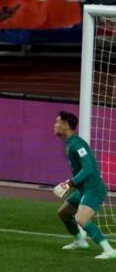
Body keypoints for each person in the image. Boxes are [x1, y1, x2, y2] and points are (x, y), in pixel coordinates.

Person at [53, 111, 116, 259]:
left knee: (81, 219)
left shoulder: (77, 144)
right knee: (64, 213)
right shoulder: (70, 143)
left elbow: (88, 168)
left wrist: (70, 183)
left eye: (58, 122)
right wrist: (73, 185)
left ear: (66, 125)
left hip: (94, 189)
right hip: (83, 189)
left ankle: (109, 250)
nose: (55, 125)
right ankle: (80, 241)